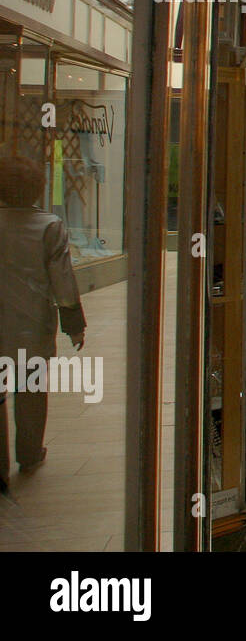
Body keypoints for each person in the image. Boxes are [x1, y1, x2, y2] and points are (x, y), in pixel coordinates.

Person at [0, 155, 87, 493]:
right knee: (31, 391)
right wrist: (74, 324)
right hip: (32, 324)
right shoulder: (49, 226)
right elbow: (63, 282)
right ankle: (30, 453)